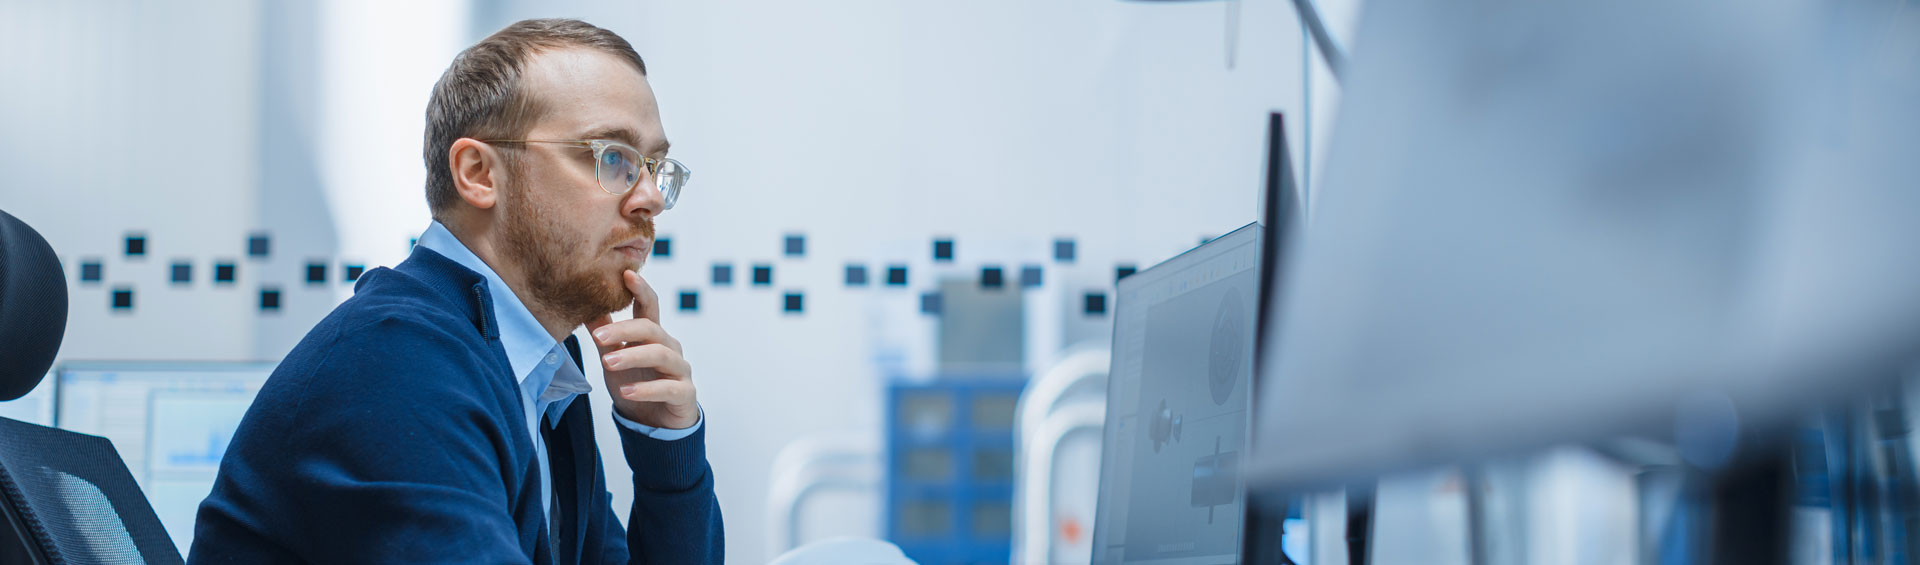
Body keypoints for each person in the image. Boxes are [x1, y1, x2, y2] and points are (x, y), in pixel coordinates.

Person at [190, 18, 721, 564]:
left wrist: (667, 453)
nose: (651, 198)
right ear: (478, 173)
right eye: (613, 157)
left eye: (655, 167)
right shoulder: (395, 363)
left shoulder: (541, 367)